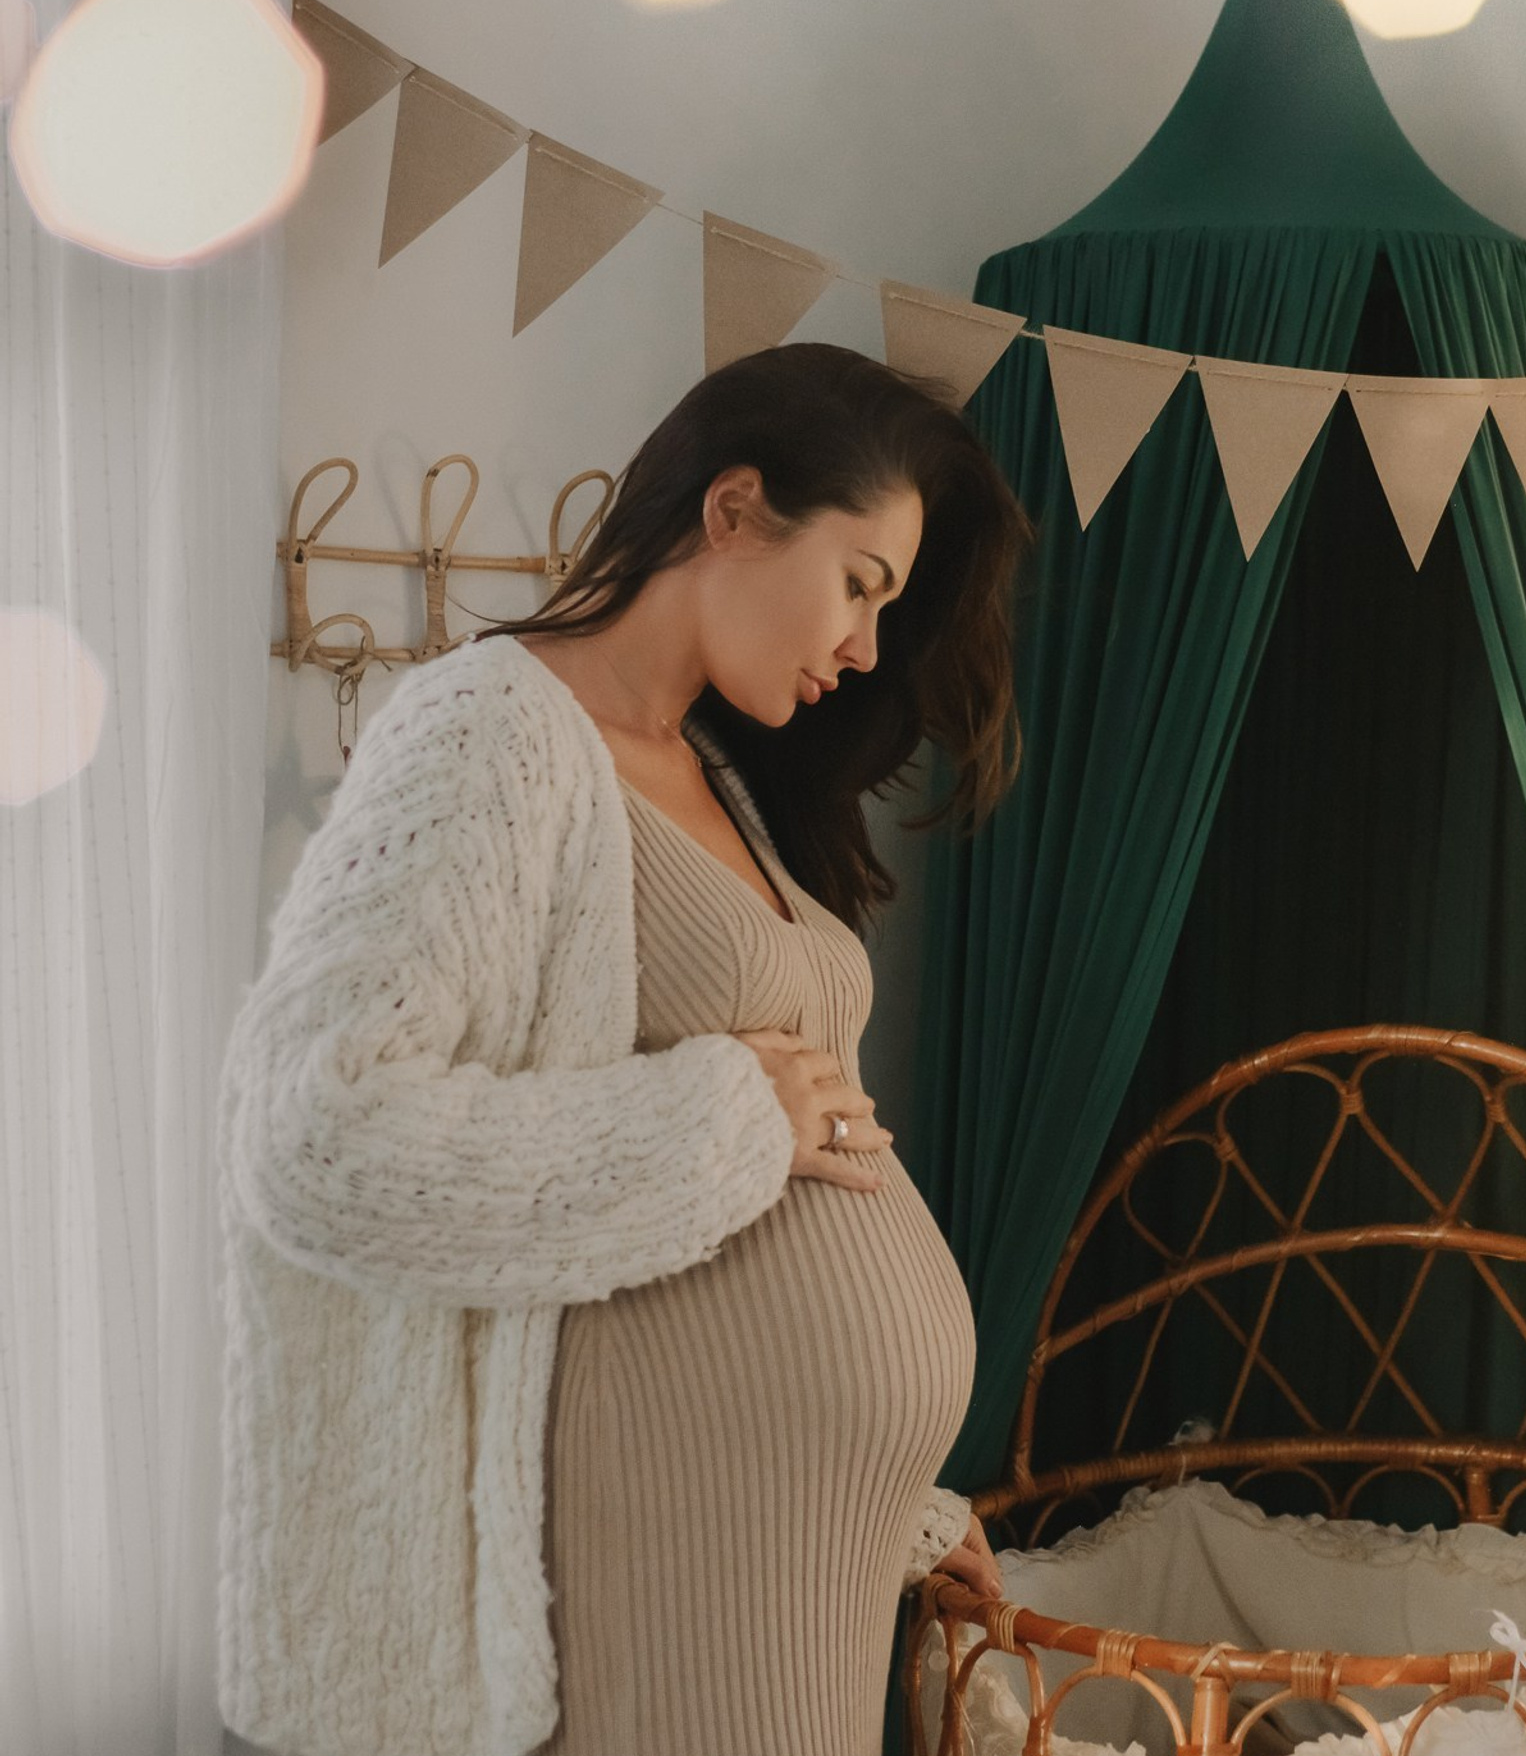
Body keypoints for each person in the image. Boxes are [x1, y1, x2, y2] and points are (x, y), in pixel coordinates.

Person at [215, 341, 1037, 1756]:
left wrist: (887, 1501)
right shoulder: (489, 730)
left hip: (774, 1552)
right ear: (733, 511)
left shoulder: (713, 766)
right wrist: (722, 1121)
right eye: (860, 586)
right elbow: (314, 1134)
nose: (861, 648)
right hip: (638, 1560)